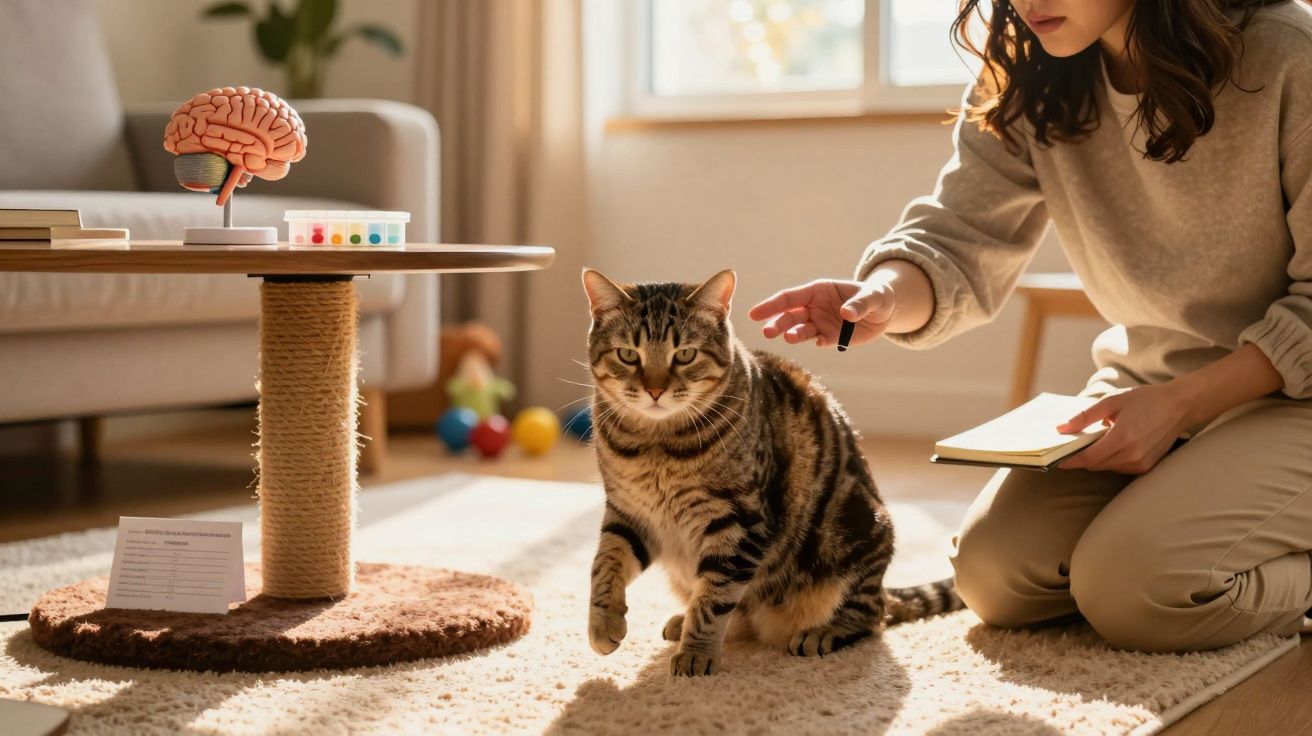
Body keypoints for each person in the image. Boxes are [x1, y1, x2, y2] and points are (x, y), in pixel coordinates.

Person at [748, 0, 1312, 652]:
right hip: (1145, 387)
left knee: (1137, 591)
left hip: (1292, 397)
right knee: (995, 577)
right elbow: (958, 234)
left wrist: (1180, 406)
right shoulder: (1031, 67)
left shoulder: (1288, 55)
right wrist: (881, 297)